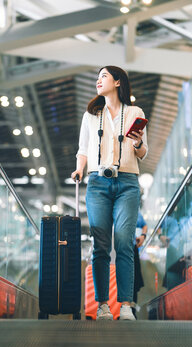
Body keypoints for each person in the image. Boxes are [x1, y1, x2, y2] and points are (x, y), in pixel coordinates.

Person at [71, 65, 148, 321]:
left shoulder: (135, 112)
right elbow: (83, 149)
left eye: (103, 76)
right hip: (97, 183)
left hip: (127, 181)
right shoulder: (91, 115)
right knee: (100, 244)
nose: (97, 80)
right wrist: (79, 170)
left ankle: (126, 305)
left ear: (117, 82)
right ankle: (103, 305)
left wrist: (137, 142)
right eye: (97, 77)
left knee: (124, 242)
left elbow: (142, 152)